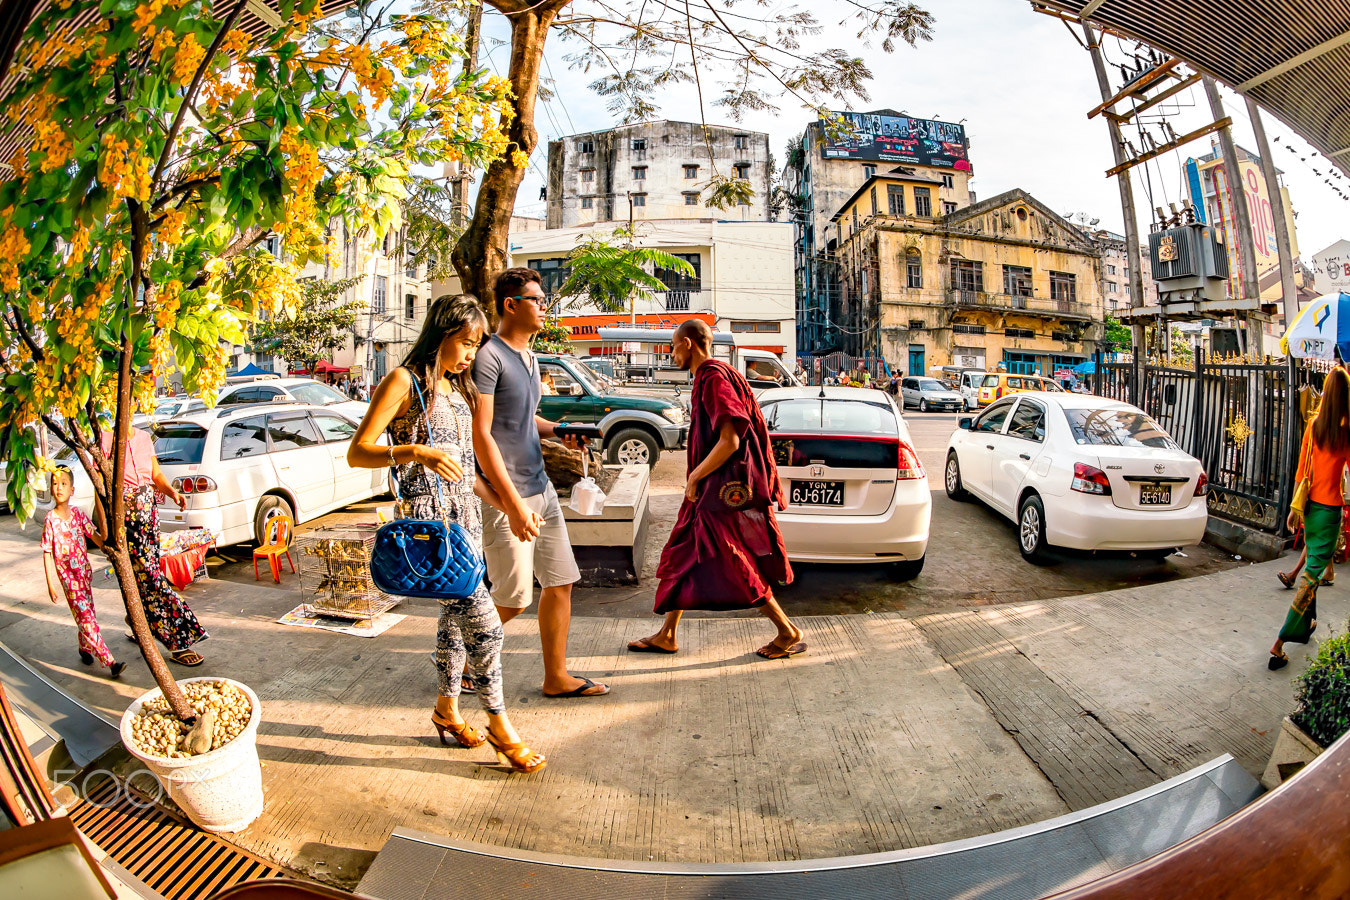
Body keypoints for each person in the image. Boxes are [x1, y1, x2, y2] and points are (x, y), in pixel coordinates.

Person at [348, 295, 545, 773]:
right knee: (486, 626)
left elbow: (466, 472)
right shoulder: (405, 381)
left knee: (454, 625)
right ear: (442, 333)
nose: (470, 355)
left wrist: (508, 508)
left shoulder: (459, 392)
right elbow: (359, 451)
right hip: (431, 530)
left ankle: (447, 709)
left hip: (465, 524)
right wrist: (414, 451)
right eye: (465, 343)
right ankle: (499, 724)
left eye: (476, 346)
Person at [627, 319, 804, 658]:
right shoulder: (718, 374)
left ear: (689, 344)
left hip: (714, 495)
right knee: (684, 554)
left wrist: (694, 477)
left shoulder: (712, 378)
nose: (671, 352)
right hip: (706, 494)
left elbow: (730, 440)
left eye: (673, 345)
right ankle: (667, 633)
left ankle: (787, 630)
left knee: (733, 561)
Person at [472, 268, 609, 698]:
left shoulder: (529, 358)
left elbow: (522, 419)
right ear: (510, 305)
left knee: (561, 582)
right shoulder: (487, 356)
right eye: (536, 299)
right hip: (507, 493)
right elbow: (482, 434)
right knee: (512, 599)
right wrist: (510, 504)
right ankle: (455, 656)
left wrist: (558, 430)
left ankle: (556, 677)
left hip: (541, 486)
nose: (544, 306)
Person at [99, 426, 208, 666]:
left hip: (149, 517)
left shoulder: (143, 437)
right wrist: (106, 531)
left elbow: (156, 475)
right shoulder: (105, 438)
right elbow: (101, 489)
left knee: (149, 577)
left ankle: (136, 619)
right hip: (124, 522)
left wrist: (172, 493)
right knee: (151, 581)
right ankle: (179, 640)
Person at [1270, 366, 1350, 670]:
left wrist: (1294, 509)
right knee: (1311, 578)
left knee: (1313, 569)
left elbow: (1302, 472)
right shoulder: (1345, 434)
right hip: (1329, 513)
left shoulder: (1314, 426)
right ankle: (1279, 643)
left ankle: (1308, 624)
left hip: (1311, 508)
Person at [42, 468, 125, 678]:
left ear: (72, 489)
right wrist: (51, 584)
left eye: (63, 483)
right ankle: (110, 662)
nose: (58, 487)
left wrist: (111, 551)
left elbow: (95, 536)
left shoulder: (78, 514)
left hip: (84, 575)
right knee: (87, 619)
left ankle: (84, 648)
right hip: (69, 581)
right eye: (55, 483)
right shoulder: (50, 519)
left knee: (87, 614)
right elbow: (47, 552)